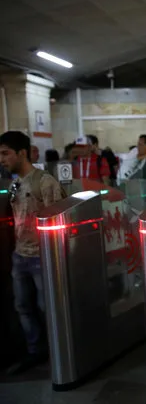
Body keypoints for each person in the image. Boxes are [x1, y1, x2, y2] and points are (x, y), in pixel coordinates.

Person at [0, 131, 64, 374]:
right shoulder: (15, 183)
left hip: (41, 256)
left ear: (22, 153)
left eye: (6, 153)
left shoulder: (45, 182)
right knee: (23, 305)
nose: (2, 159)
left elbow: (58, 218)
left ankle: (58, 351)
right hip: (20, 255)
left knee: (46, 306)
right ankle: (35, 349)